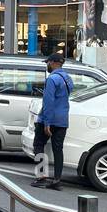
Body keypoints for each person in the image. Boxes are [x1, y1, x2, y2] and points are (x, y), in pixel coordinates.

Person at [31, 52, 73, 189]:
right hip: (62, 119)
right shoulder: (67, 78)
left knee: (38, 145)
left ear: (54, 63)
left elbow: (48, 101)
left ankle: (41, 177)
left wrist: (47, 123)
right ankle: (57, 180)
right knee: (58, 149)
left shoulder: (52, 79)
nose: (47, 65)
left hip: (48, 119)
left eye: (48, 62)